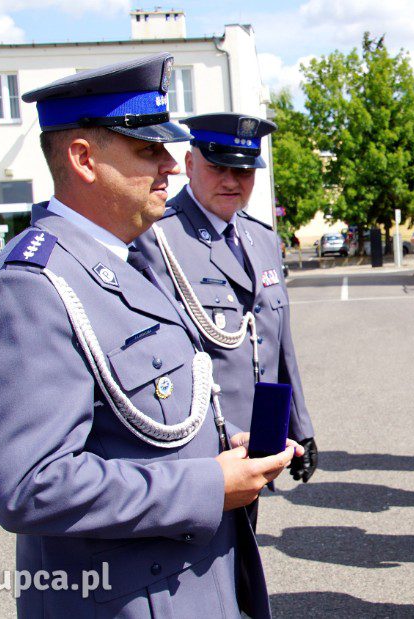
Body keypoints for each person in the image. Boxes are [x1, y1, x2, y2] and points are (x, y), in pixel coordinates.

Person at [0, 53, 302, 618]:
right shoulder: (31, 287)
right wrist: (205, 485)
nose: (171, 166)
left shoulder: (118, 261)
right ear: (83, 159)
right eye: (149, 150)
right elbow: (31, 485)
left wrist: (219, 450)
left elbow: (136, 427)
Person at [134, 113, 318, 493]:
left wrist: (299, 426)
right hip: (202, 445)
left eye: (245, 170)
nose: (232, 181)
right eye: (218, 167)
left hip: (261, 431)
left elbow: (279, 343)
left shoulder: (261, 237)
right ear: (189, 164)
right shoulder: (157, 238)